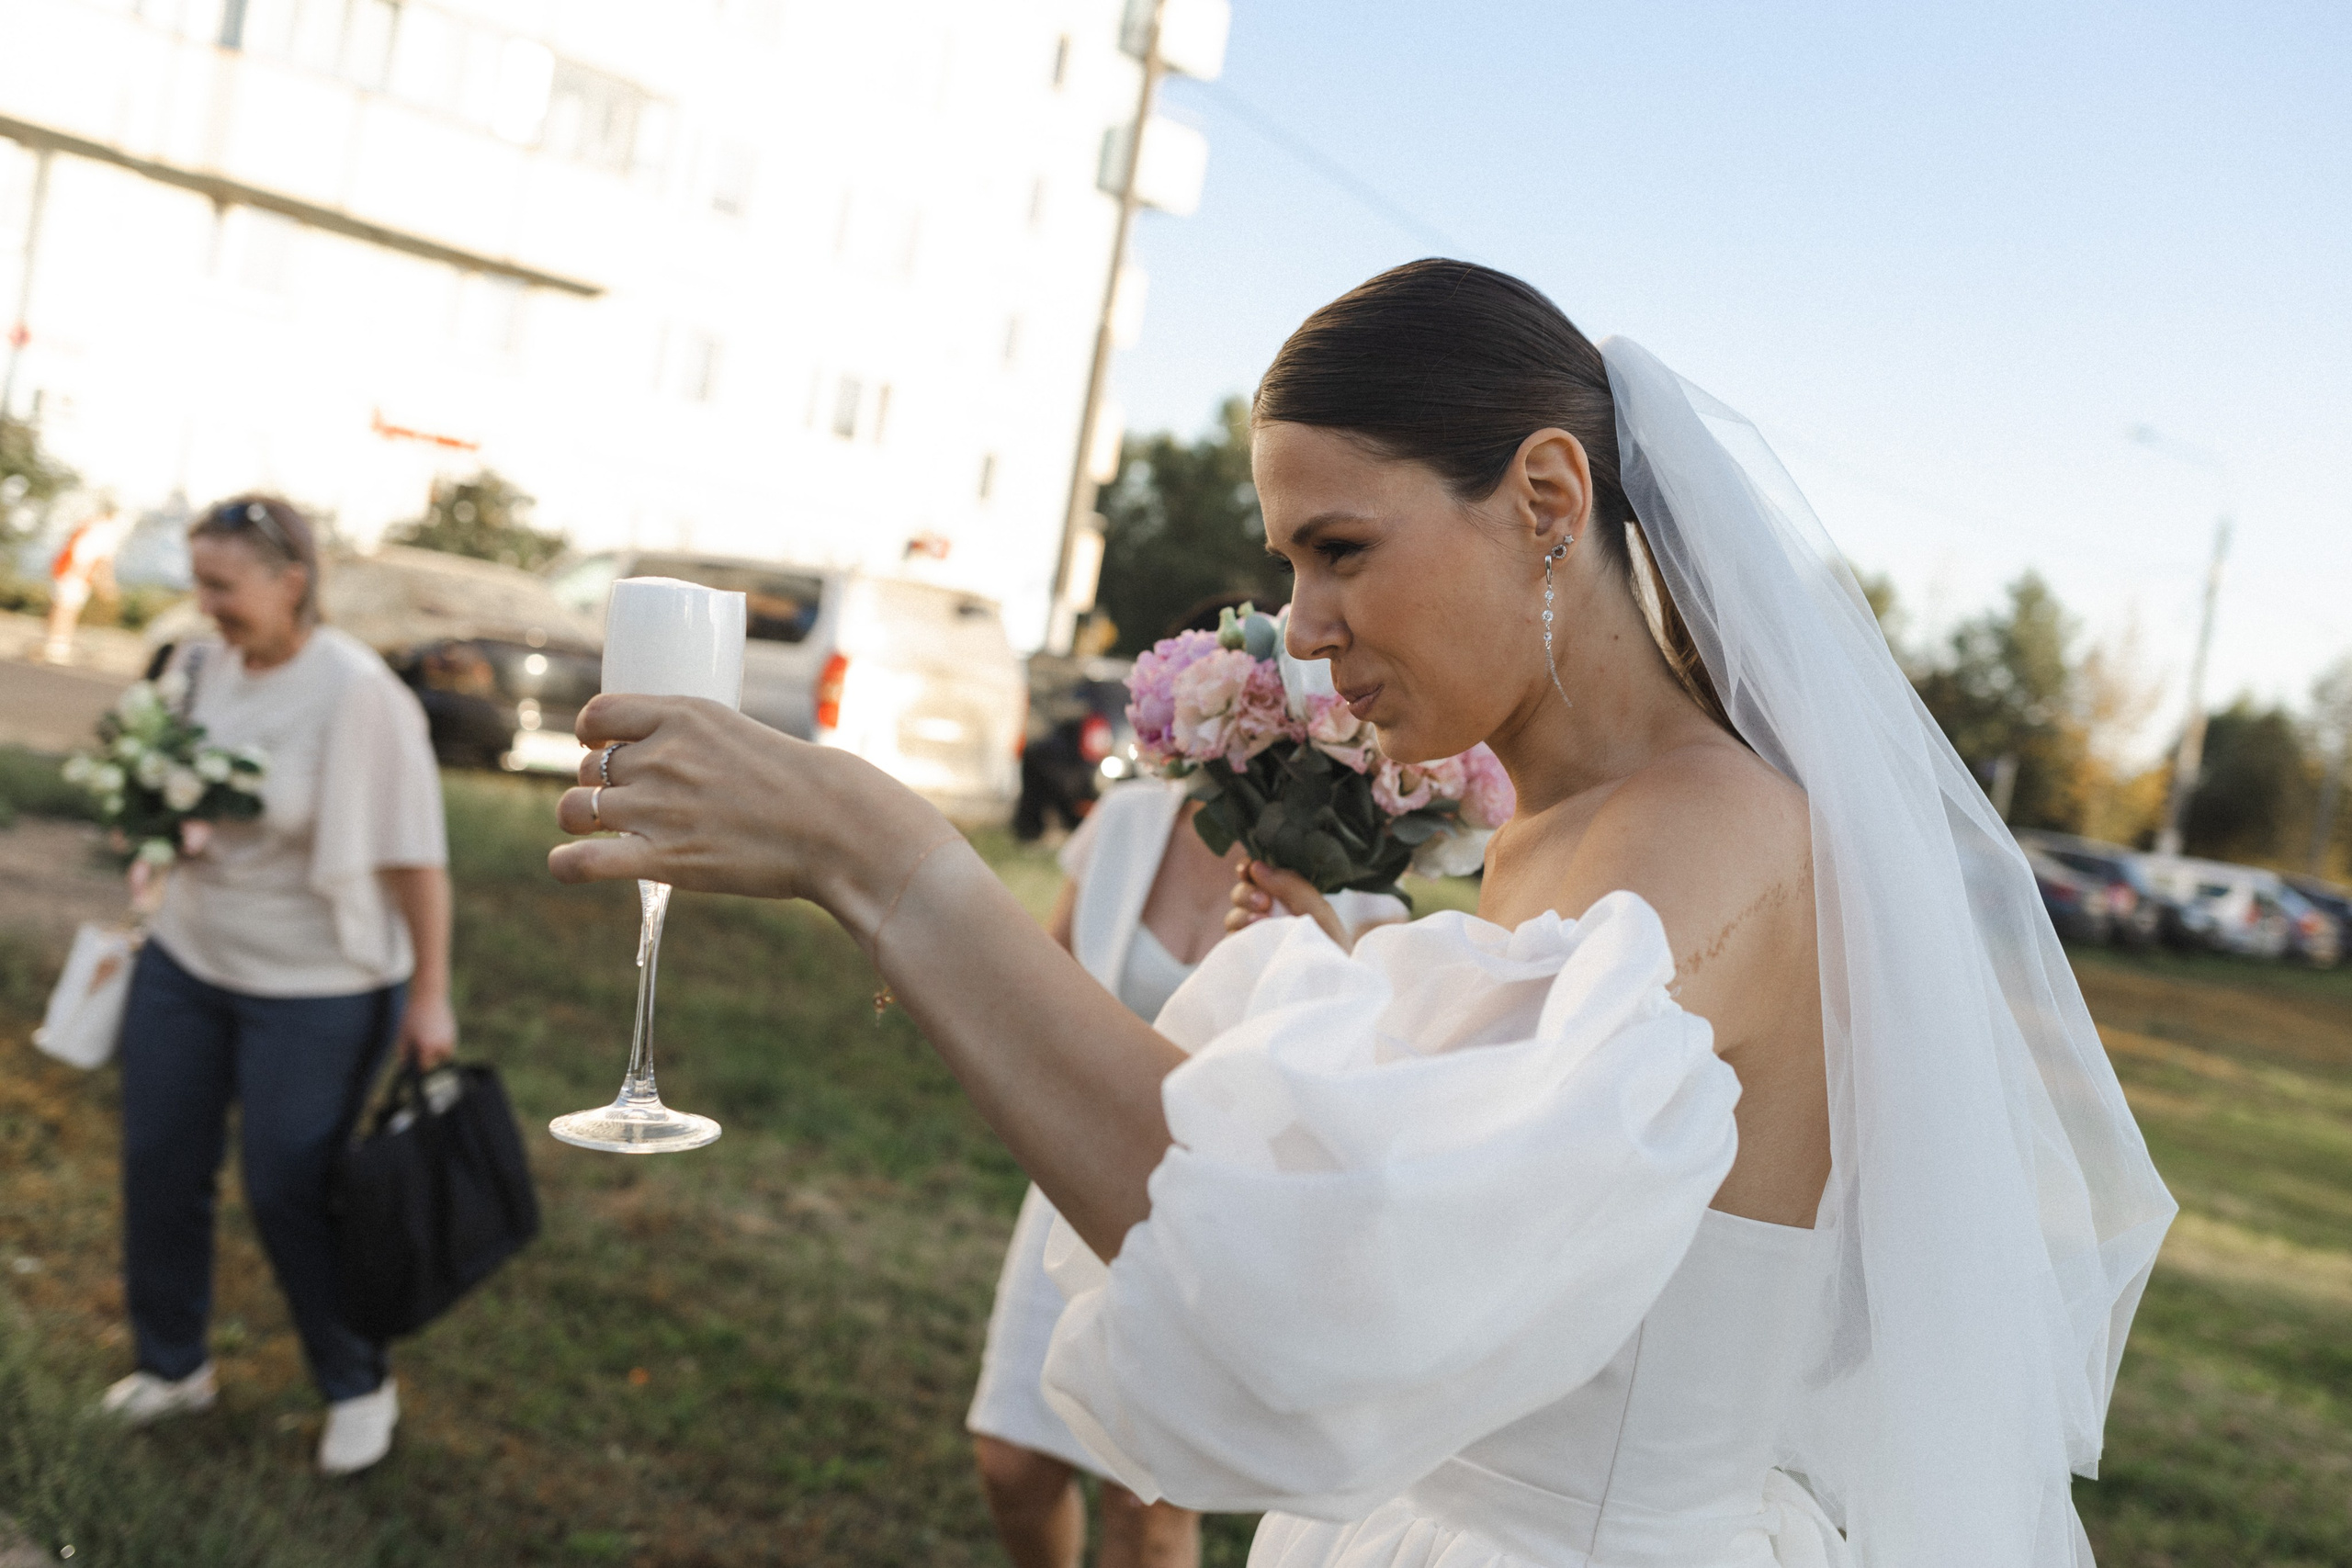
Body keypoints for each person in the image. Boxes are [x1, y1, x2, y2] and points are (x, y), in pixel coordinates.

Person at [550, 261, 2174, 1568]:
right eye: (1291, 563)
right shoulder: (1561, 837)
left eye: (1341, 551)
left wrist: (880, 852)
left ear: (1548, 495)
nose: (1305, 633)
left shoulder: (1715, 836)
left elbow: (1318, 1280)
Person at [969, 604, 1408, 1568]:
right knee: (1011, 1458)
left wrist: (1315, 946)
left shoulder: (1364, 889)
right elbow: (1047, 981)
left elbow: (1368, 1086)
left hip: (1217, 1216)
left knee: (1149, 1502)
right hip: (1080, 1173)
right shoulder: (1126, 822)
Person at [99, 495, 455, 1478]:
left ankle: (356, 1381)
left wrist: (430, 992)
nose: (204, 604)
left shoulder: (358, 693)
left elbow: (415, 856)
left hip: (322, 985)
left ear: (290, 581)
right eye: (198, 581)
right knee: (160, 1165)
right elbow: (158, 790)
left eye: (223, 585)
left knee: (287, 1186)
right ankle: (174, 1367)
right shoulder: (197, 666)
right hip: (189, 959)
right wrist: (156, 840)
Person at [44, 499, 133, 664]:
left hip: (70, 572)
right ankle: (57, 647)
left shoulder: (91, 525)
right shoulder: (104, 530)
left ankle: (57, 645)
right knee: (66, 609)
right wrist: (106, 583)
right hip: (75, 573)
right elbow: (98, 559)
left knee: (63, 608)